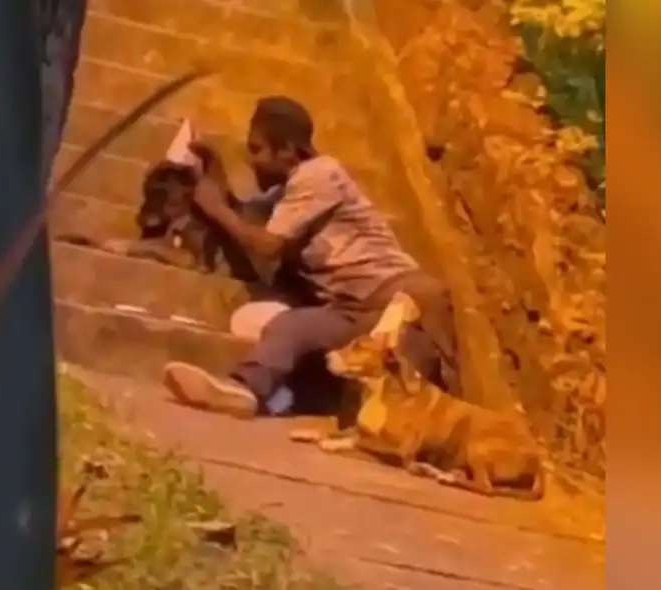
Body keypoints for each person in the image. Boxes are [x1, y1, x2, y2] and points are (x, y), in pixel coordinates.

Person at [162, 95, 461, 418]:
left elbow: (266, 244)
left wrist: (216, 208)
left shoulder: (319, 175)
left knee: (417, 409)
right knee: (291, 326)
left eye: (257, 149)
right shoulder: (287, 191)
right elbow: (246, 218)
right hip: (351, 309)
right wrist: (214, 175)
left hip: (401, 301)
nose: (251, 160)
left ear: (288, 150)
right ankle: (243, 389)